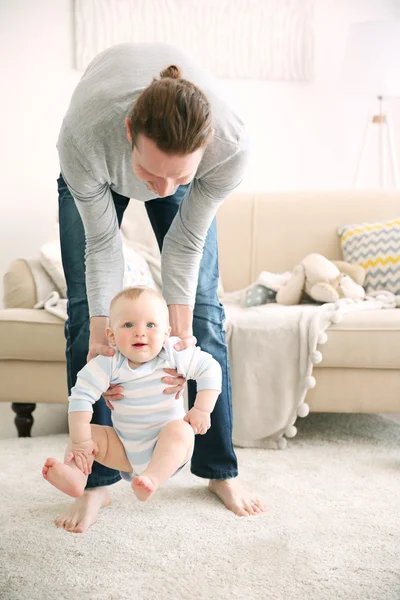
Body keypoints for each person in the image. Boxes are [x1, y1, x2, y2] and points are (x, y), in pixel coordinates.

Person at [57, 42, 264, 533]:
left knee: (205, 316)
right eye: (151, 174)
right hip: (97, 165)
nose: (162, 190)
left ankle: (218, 471)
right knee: (89, 313)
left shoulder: (229, 149)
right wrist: (98, 343)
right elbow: (104, 245)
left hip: (177, 160)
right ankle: (98, 483)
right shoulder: (86, 137)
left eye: (179, 177)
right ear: (130, 132)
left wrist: (180, 339)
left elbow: (185, 246)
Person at [42, 287, 221, 503]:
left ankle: (151, 480)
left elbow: (210, 367)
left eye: (150, 325)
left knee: (180, 430)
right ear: (111, 335)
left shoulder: (173, 354)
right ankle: (77, 476)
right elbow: (80, 397)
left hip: (168, 451)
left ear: (166, 333)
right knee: (84, 433)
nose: (140, 332)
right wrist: (81, 443)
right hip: (124, 450)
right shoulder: (108, 362)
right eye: (128, 325)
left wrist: (202, 408)